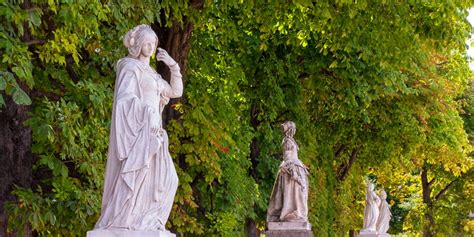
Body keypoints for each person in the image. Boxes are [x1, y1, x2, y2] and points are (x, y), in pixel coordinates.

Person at [93, 24, 182, 231]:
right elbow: (125, 99)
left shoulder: (153, 74)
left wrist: (172, 65)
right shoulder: (129, 67)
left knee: (169, 179)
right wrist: (146, 112)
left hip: (154, 133)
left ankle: (148, 221)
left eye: (153, 43)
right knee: (137, 176)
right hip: (139, 130)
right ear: (138, 45)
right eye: (147, 43)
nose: (150, 47)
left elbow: (175, 91)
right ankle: (127, 220)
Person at [266, 121, 309, 222]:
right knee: (294, 193)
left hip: (295, 167)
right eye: (293, 128)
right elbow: (287, 157)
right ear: (290, 130)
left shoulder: (291, 140)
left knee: (299, 193)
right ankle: (291, 214)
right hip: (290, 169)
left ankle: (297, 214)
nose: (294, 130)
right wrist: (292, 171)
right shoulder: (287, 142)